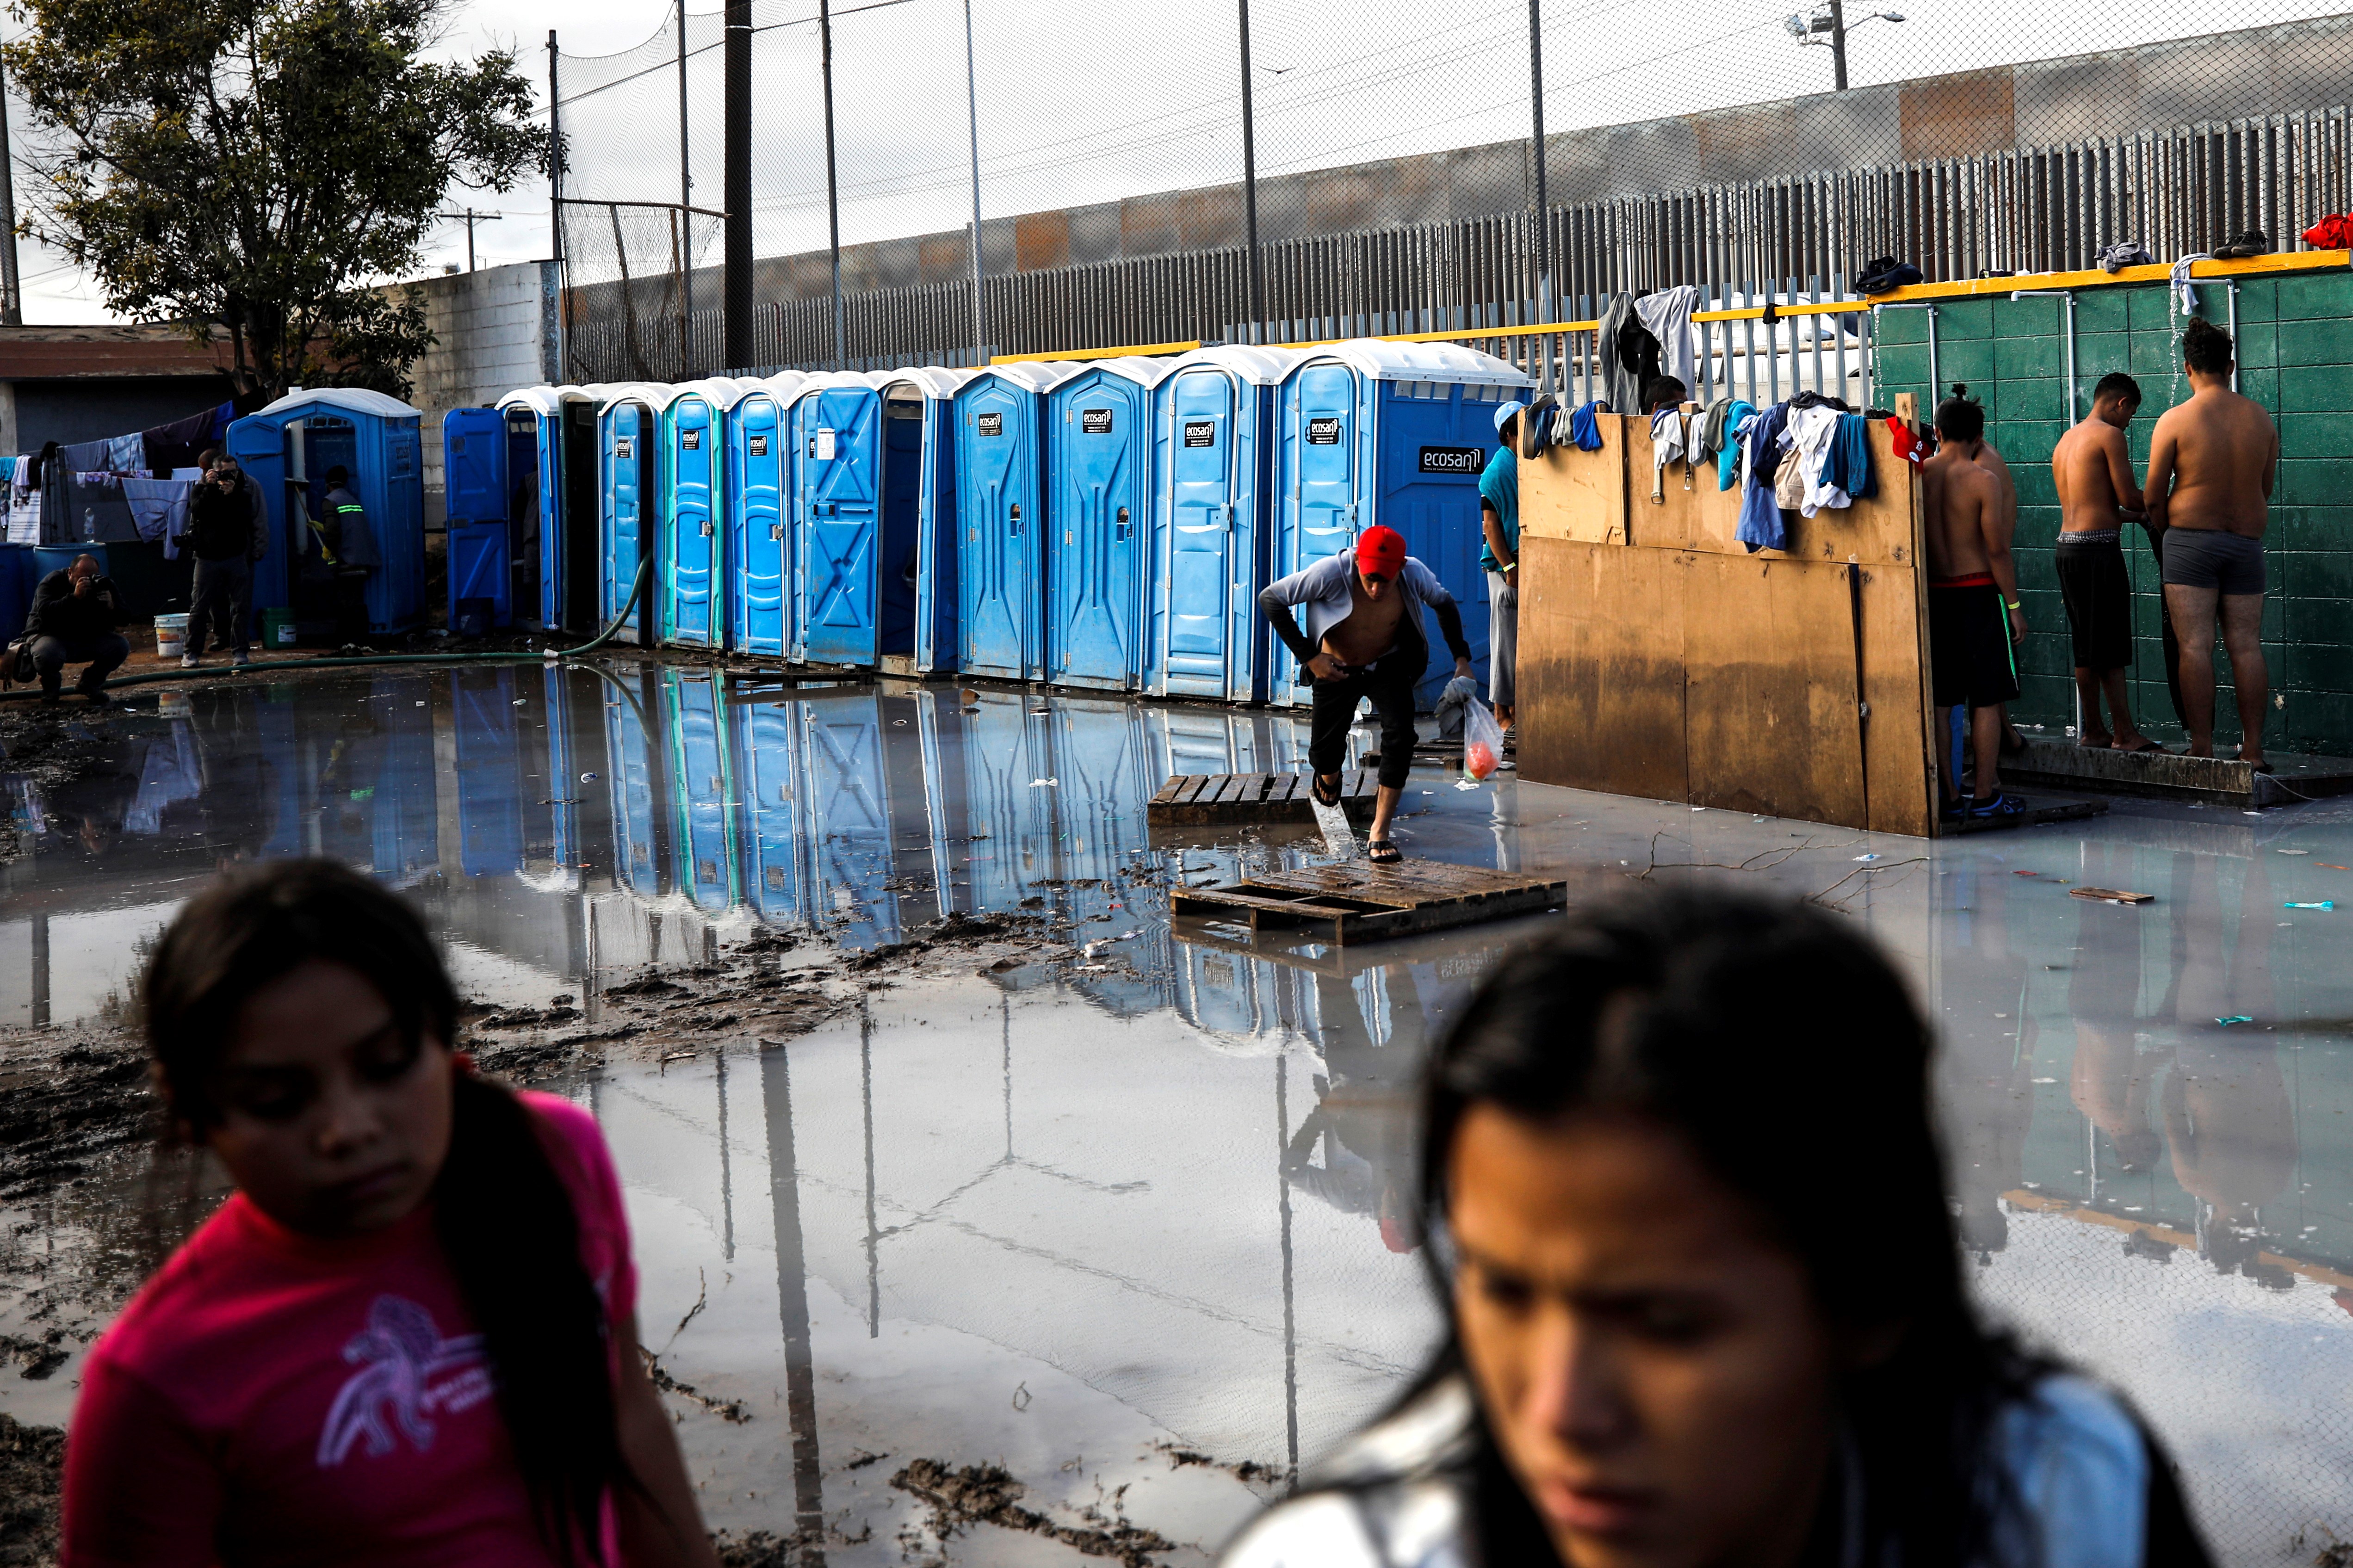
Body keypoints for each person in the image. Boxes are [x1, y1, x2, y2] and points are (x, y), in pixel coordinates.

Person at [1219, 891, 2217, 1568]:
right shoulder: (1350, 1554)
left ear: (1865, 1293)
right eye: (1502, 1289)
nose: (1560, 1411)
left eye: (1663, 1323)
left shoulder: (2073, 1509)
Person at [62, 861, 721, 1568]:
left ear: (445, 1045)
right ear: (194, 1110)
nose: (347, 1128)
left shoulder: (554, 1160)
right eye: (278, 1099)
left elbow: (626, 1422)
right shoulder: (158, 1386)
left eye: (386, 1064)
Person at [1260, 523, 1474, 865]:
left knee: (1401, 737)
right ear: (1358, 561)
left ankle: (1380, 831)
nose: (1376, 589)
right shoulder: (1329, 573)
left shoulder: (1413, 573)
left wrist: (1463, 661)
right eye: (1370, 578)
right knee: (1325, 756)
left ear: (1400, 569)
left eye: (1385, 581)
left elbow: (1445, 605)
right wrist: (1311, 657)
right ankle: (1329, 776)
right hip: (1335, 667)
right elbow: (1271, 599)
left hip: (1387, 665)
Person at [2146, 318, 2279, 768]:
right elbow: (2265, 489)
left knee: (2194, 647)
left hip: (2189, 542)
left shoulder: (2175, 420)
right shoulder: (2260, 419)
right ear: (2230, 365)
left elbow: (2150, 496)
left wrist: (2170, 534)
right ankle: (2254, 751)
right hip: (2245, 544)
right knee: (2246, 645)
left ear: (2188, 368)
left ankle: (2201, 747)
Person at [1922, 386, 2025, 821]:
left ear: (1939, 432)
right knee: (1986, 699)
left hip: (1935, 598)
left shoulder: (1917, 475)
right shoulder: (1985, 481)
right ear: (1979, 437)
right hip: (1978, 594)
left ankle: (1947, 796)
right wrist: (2015, 605)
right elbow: (1997, 550)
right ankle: (1986, 796)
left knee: (1942, 703)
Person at [2051, 372, 2159, 753]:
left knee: (2086, 645)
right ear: (2121, 403)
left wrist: (2134, 517)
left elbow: (2095, 506)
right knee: (2109, 644)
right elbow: (2130, 498)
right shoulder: (2110, 436)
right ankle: (2126, 734)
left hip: (2068, 549)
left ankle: (2094, 729)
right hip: (2098, 553)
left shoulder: (2067, 440)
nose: (2129, 423)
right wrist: (2167, 502)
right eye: (2131, 414)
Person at [185, 456, 267, 667]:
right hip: (207, 558)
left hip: (236, 557)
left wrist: (232, 495)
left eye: (234, 472)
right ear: (214, 472)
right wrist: (212, 488)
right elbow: (199, 510)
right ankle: (192, 652)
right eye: (225, 473)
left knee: (241, 606)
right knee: (200, 607)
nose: (230, 476)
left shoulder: (243, 494)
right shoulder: (200, 490)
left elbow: (245, 518)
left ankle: (240, 651)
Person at [24, 552, 130, 705]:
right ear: (70, 573)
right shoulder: (52, 582)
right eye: (82, 578)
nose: (88, 582)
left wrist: (112, 606)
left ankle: (90, 684)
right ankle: (51, 688)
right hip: (52, 635)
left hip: (85, 637)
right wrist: (74, 597)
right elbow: (46, 614)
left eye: (92, 577)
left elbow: (125, 619)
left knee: (120, 646)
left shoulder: (103, 584)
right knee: (47, 652)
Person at [1479, 402, 1523, 733]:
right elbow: (1491, 526)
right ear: (1509, 434)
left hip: (1522, 563)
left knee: (1519, 640)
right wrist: (1509, 566)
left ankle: (1515, 706)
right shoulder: (1496, 473)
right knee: (1504, 639)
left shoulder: (1525, 464)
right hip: (1507, 567)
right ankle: (1500, 711)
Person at [313, 464, 379, 645]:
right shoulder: (352, 500)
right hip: (362, 560)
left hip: (347, 561)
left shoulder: (330, 501)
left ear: (328, 484)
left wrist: (327, 551)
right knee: (356, 600)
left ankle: (349, 641)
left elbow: (333, 531)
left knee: (346, 601)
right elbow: (348, 526)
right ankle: (360, 639)